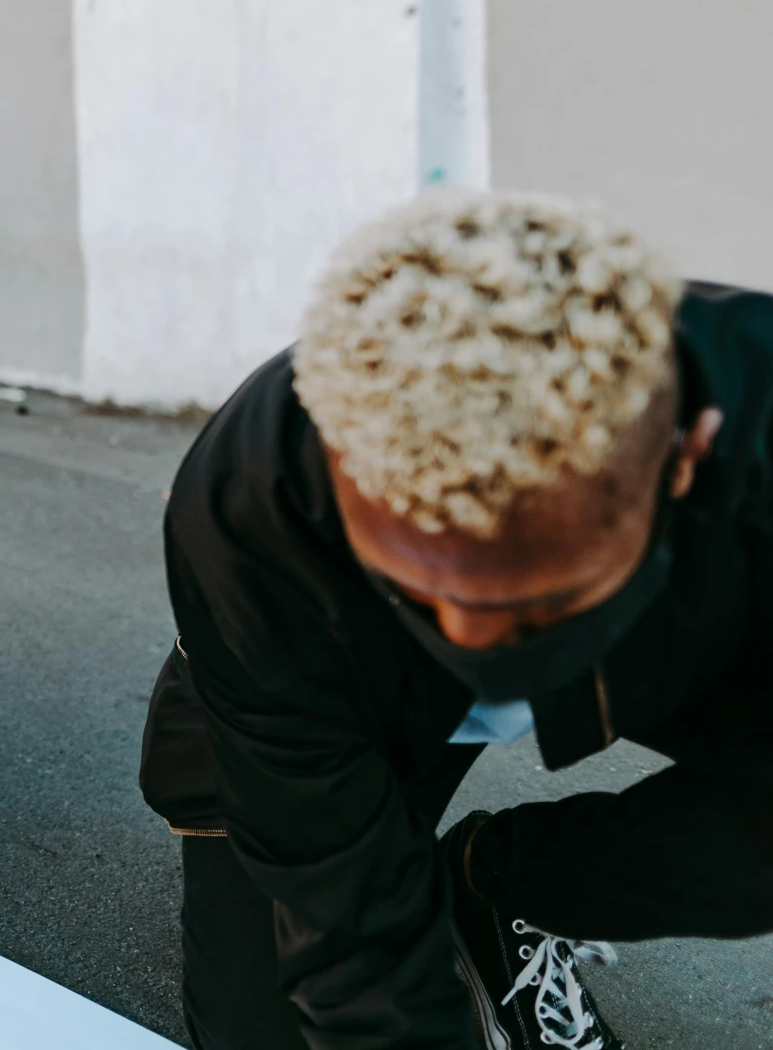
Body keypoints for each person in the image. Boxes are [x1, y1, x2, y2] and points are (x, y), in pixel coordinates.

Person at [140, 191, 773, 1049]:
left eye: (537, 605)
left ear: (683, 461)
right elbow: (350, 928)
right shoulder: (250, 513)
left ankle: (498, 881)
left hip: (666, 641)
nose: (469, 646)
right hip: (343, 692)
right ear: (339, 466)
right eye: (413, 589)